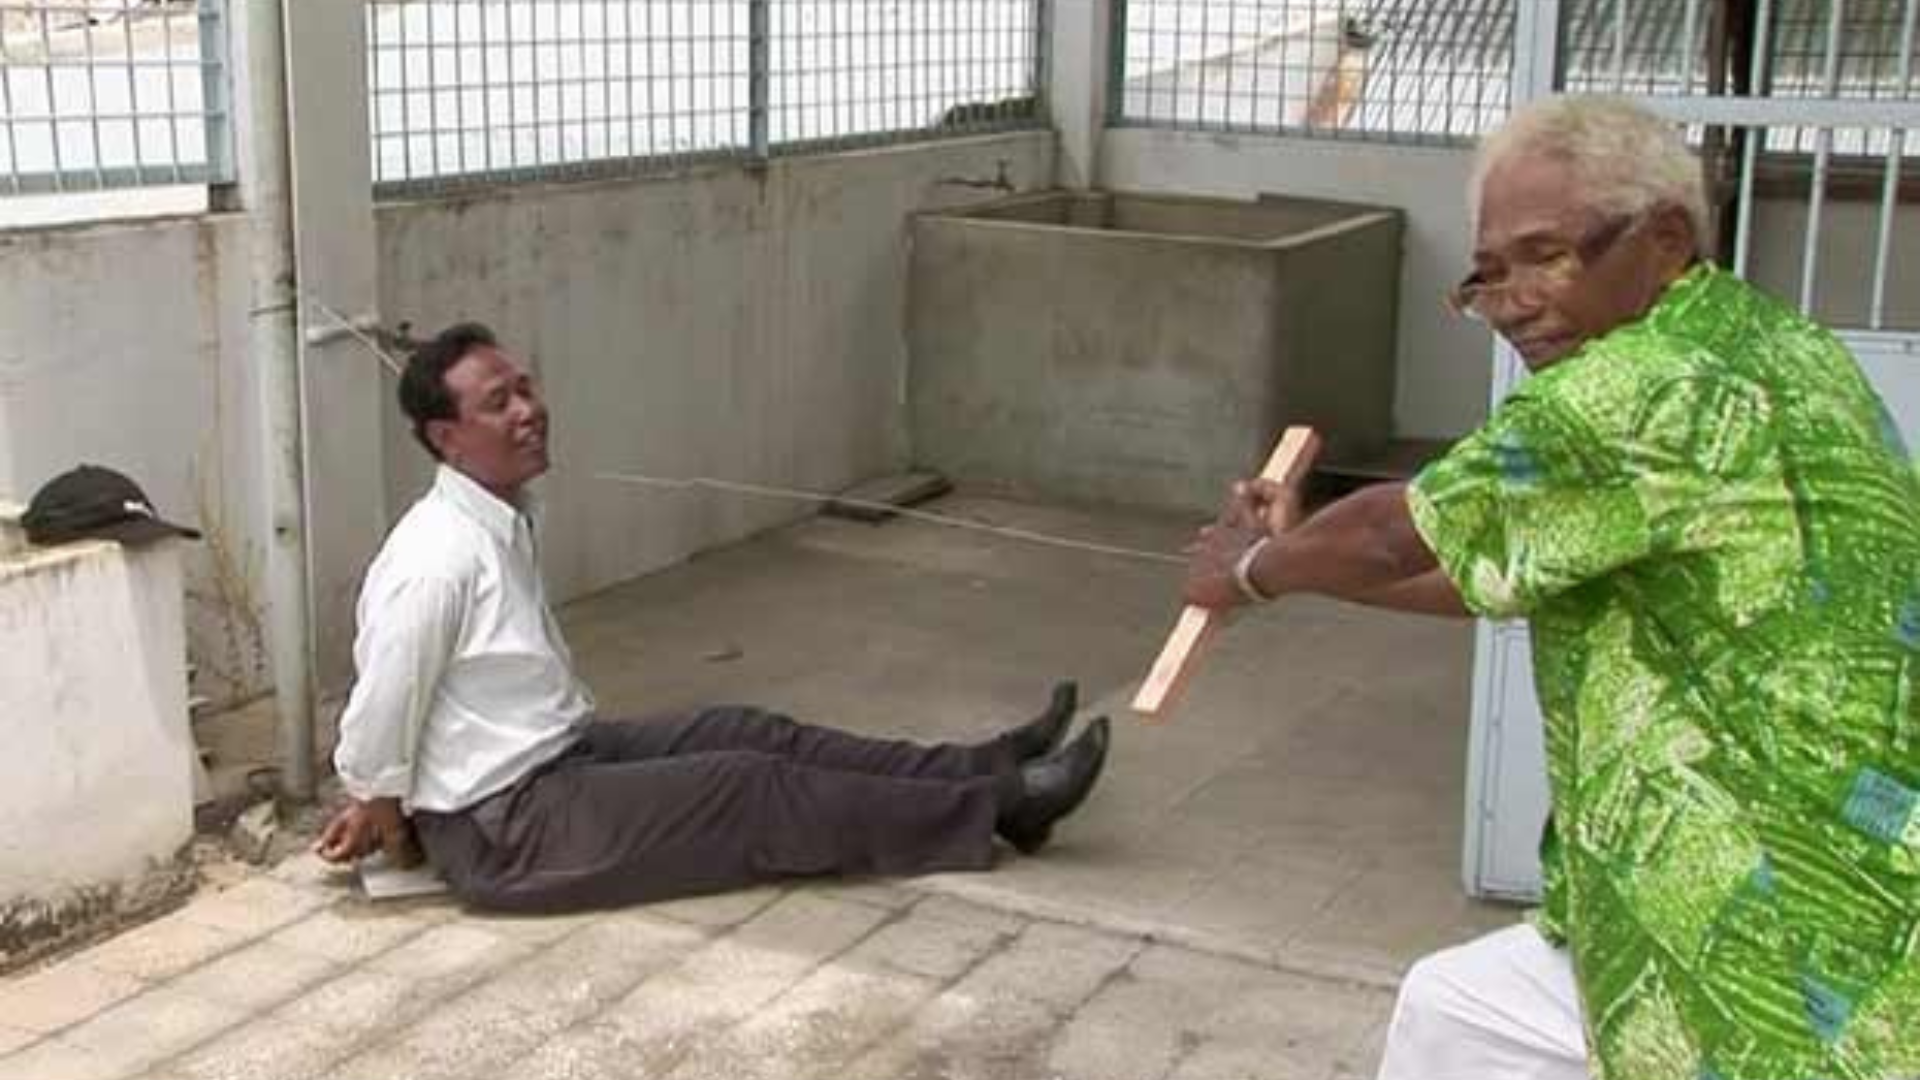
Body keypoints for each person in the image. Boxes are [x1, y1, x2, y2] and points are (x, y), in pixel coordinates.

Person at [1182, 95, 1919, 1080]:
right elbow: (1483, 568)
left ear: (1665, 238)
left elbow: (1394, 536)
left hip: (1775, 930)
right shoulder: (1774, 344)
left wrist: (1246, 571)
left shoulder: (1649, 385)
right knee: (1453, 1012)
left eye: (1547, 257)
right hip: (1764, 881)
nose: (1515, 301)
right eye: (1490, 274)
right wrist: (1306, 559)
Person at [316, 322, 1110, 913]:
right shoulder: (435, 558)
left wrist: (380, 792)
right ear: (447, 438)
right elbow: (381, 706)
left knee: (750, 731)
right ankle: (1002, 809)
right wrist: (378, 800)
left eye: (526, 388)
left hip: (556, 760)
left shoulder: (501, 516)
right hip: (506, 830)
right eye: (500, 403)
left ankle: (987, 765)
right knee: (750, 789)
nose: (530, 410)